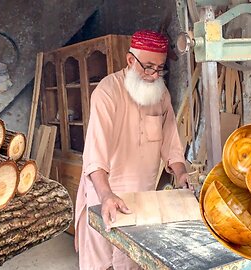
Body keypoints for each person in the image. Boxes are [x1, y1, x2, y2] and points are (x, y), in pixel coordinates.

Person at [75, 29, 189, 270]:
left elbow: (171, 142)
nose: (153, 75)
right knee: (103, 262)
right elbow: (94, 154)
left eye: (160, 69)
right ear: (130, 60)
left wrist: (181, 173)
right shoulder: (107, 92)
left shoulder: (161, 94)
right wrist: (106, 195)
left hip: (141, 201)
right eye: (148, 67)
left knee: (132, 261)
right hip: (104, 194)